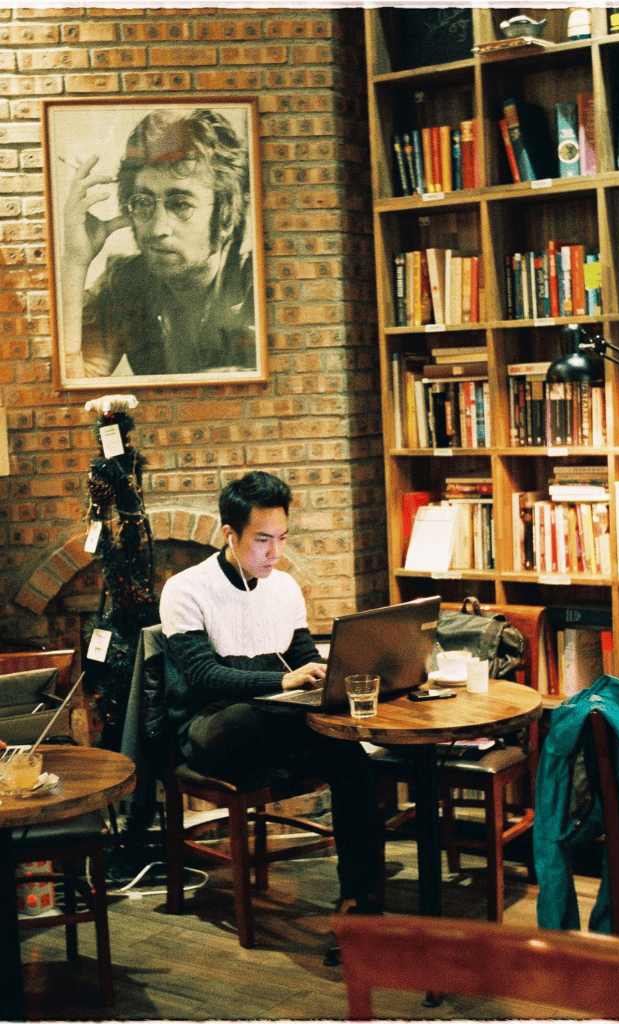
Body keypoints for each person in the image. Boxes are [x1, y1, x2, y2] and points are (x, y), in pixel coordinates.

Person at [159, 470, 381, 958]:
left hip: (277, 724)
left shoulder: (283, 589)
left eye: (282, 539)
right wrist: (278, 679)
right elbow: (203, 677)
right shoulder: (185, 588)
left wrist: (330, 672)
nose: (274, 553)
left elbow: (303, 661)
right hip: (213, 729)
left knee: (350, 757)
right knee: (249, 719)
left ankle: (360, 905)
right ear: (229, 535)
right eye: (262, 540)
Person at [61, 107, 256, 378]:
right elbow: (70, 383)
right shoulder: (126, 283)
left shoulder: (255, 284)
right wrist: (75, 261)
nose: (157, 228)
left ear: (224, 214)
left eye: (180, 204)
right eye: (143, 202)